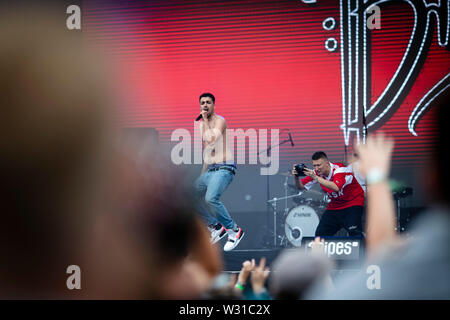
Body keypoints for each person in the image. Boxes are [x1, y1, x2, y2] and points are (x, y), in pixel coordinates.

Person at [194, 93, 244, 251]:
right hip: (211, 170)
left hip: (224, 167)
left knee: (210, 199)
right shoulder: (203, 125)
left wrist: (206, 121)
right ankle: (215, 227)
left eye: (208, 102)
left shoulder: (220, 121)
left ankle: (234, 230)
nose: (205, 105)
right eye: (202, 103)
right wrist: (202, 175)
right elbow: (207, 151)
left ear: (214, 105)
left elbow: (211, 140)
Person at [292, 151, 365, 237]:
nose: (316, 168)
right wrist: (296, 177)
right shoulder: (316, 173)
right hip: (335, 206)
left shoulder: (339, 169)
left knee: (355, 234)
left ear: (327, 163)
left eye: (319, 165)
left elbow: (335, 187)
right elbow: (300, 187)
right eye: (314, 165)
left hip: (352, 202)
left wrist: (316, 178)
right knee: (320, 235)